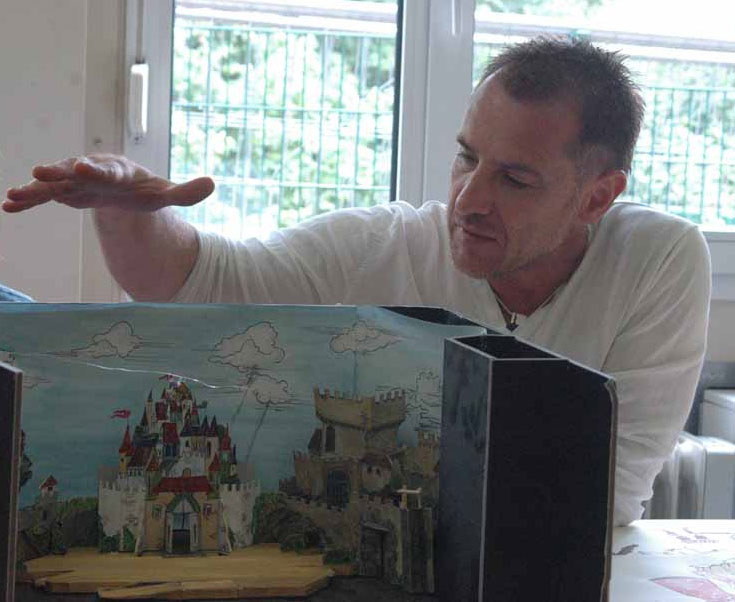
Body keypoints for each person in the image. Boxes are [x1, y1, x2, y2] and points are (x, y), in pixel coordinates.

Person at [3, 37, 710, 526]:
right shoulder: (383, 245)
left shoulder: (658, 261)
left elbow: (608, 492)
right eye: (466, 158)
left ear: (596, 196)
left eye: (515, 179)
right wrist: (128, 211)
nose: (468, 200)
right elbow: (200, 280)